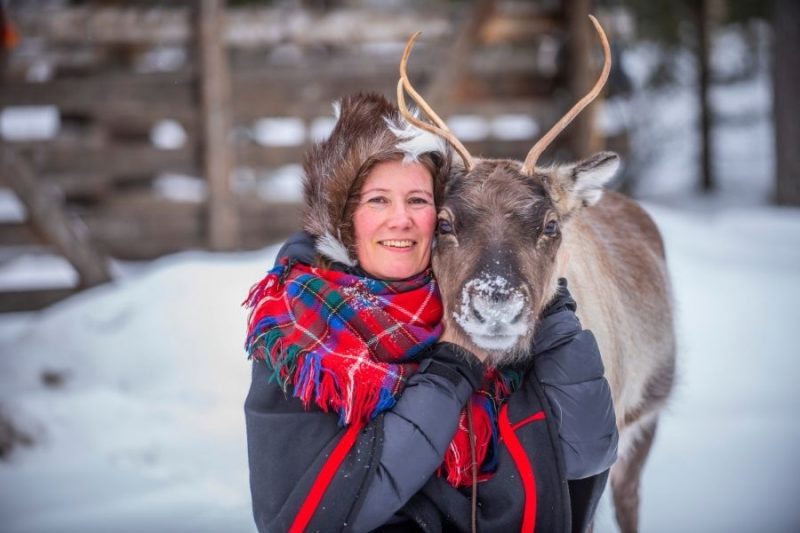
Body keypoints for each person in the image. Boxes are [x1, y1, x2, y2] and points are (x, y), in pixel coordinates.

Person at [243, 93, 617, 532]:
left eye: (418, 201)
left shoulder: (482, 310)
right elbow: (317, 517)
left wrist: (549, 299)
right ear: (344, 217)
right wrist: (454, 366)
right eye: (378, 200)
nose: (400, 219)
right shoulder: (301, 334)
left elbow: (584, 456)